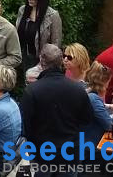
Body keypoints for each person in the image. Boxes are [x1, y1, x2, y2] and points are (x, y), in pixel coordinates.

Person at [19, 44, 94, 173]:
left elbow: (26, 126)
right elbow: (87, 119)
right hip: (70, 151)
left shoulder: (31, 91)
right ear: (61, 62)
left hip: (42, 152)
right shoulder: (77, 89)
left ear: (42, 61)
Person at [15, 0, 63, 73]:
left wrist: (43, 64)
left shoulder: (53, 16)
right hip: (25, 57)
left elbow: (56, 44)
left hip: (43, 61)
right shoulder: (22, 10)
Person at [82, 61, 113, 146]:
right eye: (109, 81)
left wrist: (111, 107)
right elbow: (110, 126)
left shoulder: (84, 88)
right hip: (91, 145)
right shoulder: (93, 98)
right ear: (104, 81)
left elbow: (99, 108)